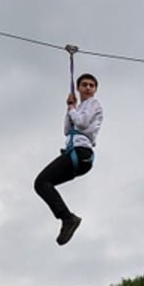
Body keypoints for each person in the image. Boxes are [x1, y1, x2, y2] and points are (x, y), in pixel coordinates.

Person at [34, 73, 103, 245]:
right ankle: (67, 218)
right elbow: (67, 129)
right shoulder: (78, 107)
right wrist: (70, 107)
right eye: (84, 85)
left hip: (81, 153)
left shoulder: (94, 104)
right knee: (43, 184)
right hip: (76, 156)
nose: (88, 88)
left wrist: (73, 110)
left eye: (91, 85)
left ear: (95, 90)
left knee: (41, 182)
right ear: (78, 88)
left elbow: (81, 123)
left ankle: (68, 218)